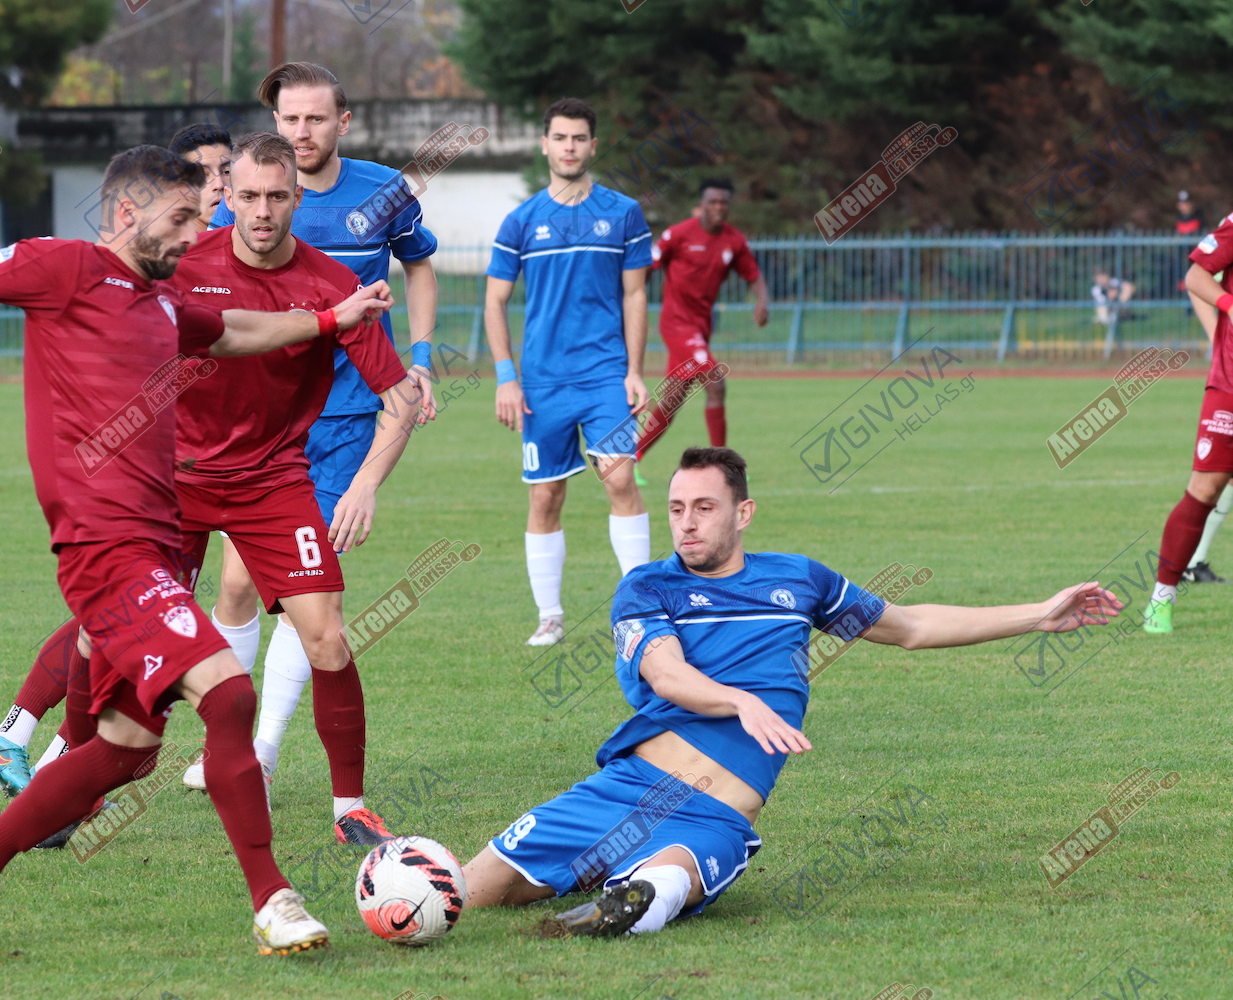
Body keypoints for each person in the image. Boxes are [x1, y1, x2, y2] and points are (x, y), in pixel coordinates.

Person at [0, 144, 394, 954]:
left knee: (127, 750)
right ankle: (274, 900)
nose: (197, 234)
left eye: (200, 217)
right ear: (126, 213)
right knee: (227, 694)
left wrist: (326, 321)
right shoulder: (64, 269)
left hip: (151, 539)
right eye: (183, 217)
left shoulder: (164, 301)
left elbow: (238, 330)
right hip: (105, 549)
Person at [461, 447, 1123, 936]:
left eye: (704, 508)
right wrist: (741, 700)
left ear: (743, 512)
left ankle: (635, 898)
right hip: (625, 790)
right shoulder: (648, 587)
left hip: (714, 816)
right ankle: (563, 884)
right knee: (472, 891)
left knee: (673, 877)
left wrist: (1039, 614)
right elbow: (666, 675)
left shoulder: (799, 581)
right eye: (677, 509)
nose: (687, 524)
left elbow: (912, 627)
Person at [0, 121, 236, 798]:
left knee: (117, 619)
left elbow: (229, 335)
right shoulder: (162, 257)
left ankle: (27, 744)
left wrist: (322, 321)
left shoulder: (209, 247)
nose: (219, 188)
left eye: (225, 173)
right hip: (159, 473)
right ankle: (46, 757)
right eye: (208, 174)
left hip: (191, 465)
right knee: (123, 617)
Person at [196, 62, 440, 788]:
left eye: (315, 118)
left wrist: (421, 358)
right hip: (264, 419)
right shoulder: (249, 199)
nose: (301, 131)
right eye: (289, 119)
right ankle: (225, 742)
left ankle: (261, 750)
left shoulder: (385, 191)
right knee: (236, 586)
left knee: (309, 599)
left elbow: (419, 268)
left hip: (345, 416)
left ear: (343, 121)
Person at [486, 97, 654, 647]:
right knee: (545, 497)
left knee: (620, 479)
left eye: (579, 138)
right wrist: (507, 377)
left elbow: (635, 295)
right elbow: (495, 302)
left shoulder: (624, 213)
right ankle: (550, 615)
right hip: (542, 383)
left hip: (606, 375)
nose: (569, 147)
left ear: (593, 146)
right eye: (560, 137)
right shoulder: (521, 221)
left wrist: (634, 371)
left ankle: (640, 608)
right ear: (545, 145)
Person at [635, 178, 769, 476]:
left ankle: (631, 457)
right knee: (715, 382)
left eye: (724, 202)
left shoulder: (734, 241)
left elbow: (754, 275)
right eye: (713, 202)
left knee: (671, 400)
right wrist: (634, 295)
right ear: (702, 205)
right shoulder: (679, 234)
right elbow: (648, 265)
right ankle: (724, 468)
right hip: (676, 324)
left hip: (701, 327)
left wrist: (762, 301)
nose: (719, 207)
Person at [1144, 212, 1233, 632]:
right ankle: (1162, 598)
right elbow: (1197, 276)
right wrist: (1228, 308)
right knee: (1205, 489)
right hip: (1230, 386)